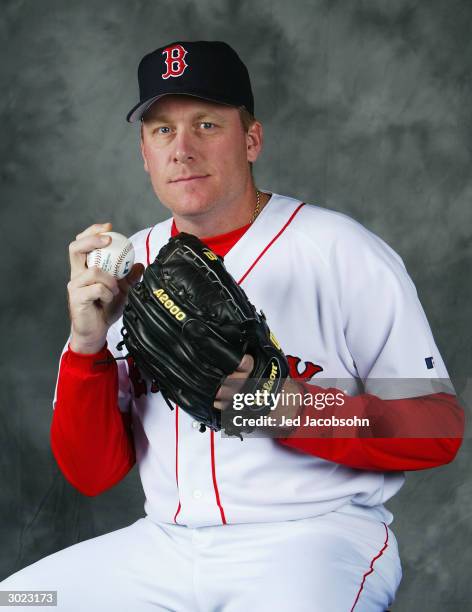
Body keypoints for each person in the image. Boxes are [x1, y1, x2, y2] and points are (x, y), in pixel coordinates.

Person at [1, 40, 464, 611]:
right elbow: (93, 474)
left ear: (251, 139)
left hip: (312, 540)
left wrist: (284, 407)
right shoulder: (127, 268)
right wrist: (87, 346)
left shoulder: (340, 251)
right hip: (165, 545)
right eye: (162, 130)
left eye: (205, 124)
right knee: (23, 600)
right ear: (144, 152)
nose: (182, 149)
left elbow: (439, 428)